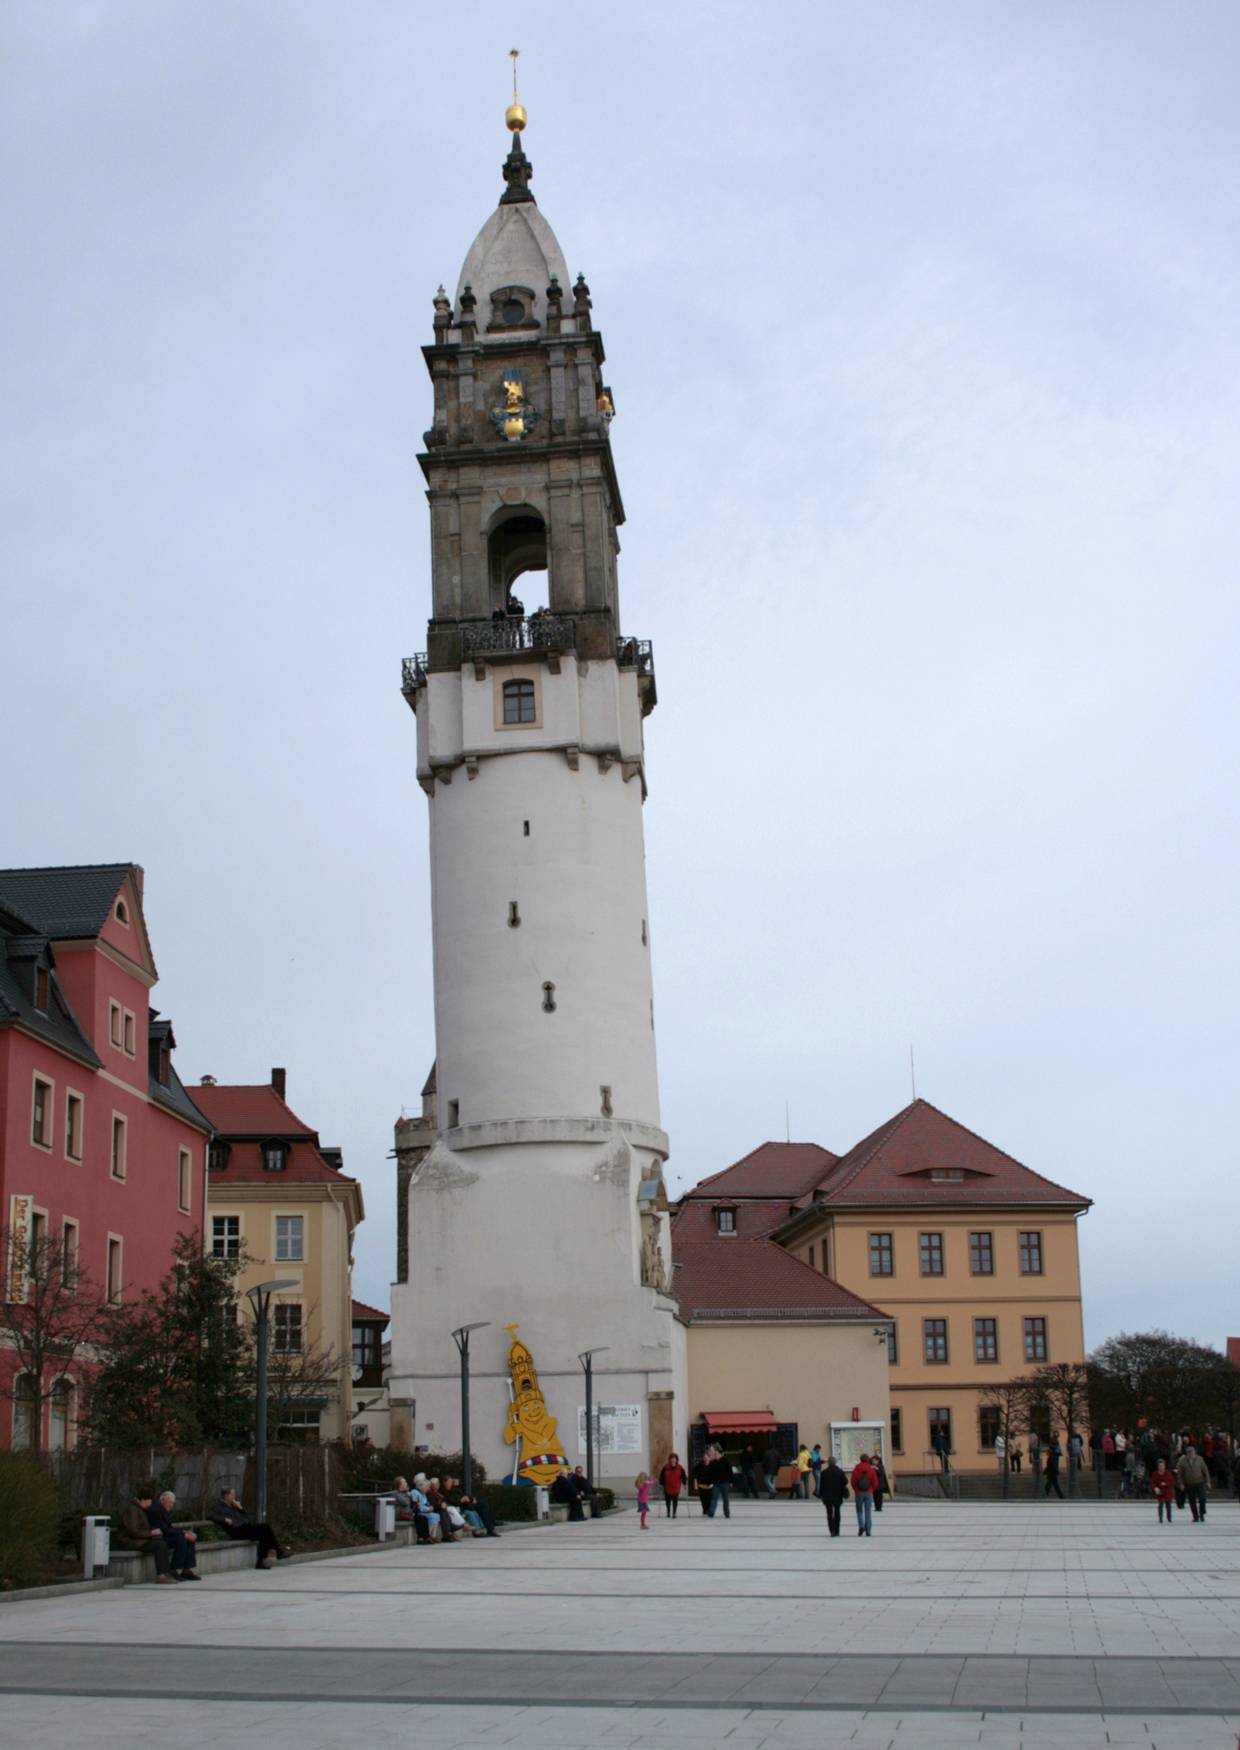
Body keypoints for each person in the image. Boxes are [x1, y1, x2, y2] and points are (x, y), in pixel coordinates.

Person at [210, 1486, 291, 1570]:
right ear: (226, 1496)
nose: (234, 1496)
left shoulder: (233, 1506)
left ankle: (263, 1561)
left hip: (244, 1528)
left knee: (264, 1534)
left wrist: (240, 1508)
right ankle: (277, 1553)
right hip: (236, 1531)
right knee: (265, 1528)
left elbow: (246, 1518)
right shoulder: (219, 1506)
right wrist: (223, 1519)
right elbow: (210, 1516)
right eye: (232, 1494)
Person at [116, 1484, 179, 1585]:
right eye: (149, 1502)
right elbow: (133, 1531)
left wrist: (153, 1533)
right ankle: (161, 1575)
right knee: (160, 1545)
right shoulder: (132, 1510)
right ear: (144, 1500)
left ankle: (165, 1573)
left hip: (139, 1540)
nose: (150, 1504)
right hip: (130, 1541)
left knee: (161, 1542)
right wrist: (151, 1533)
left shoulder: (140, 1509)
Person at [149, 1490, 201, 1580]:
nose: (171, 1505)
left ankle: (186, 1570)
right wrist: (183, 1533)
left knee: (189, 1538)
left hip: (165, 1536)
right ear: (162, 1500)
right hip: (158, 1539)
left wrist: (185, 1533)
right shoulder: (156, 1510)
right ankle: (173, 1569)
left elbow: (169, 1528)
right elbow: (164, 1529)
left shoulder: (163, 1509)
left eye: (173, 1503)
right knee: (182, 1539)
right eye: (170, 1502)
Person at [1176, 1444, 1210, 1522]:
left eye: (1192, 1452)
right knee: (1192, 1501)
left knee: (1202, 1498)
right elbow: (1180, 1474)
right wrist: (1181, 1483)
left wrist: (1208, 1481)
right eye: (1189, 1453)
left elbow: (1205, 1471)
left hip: (1200, 1482)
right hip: (1189, 1484)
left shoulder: (1200, 1459)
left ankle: (1201, 1513)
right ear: (1187, 1454)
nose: (1191, 1454)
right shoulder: (1182, 1461)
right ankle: (1195, 1516)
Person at [819, 1455, 848, 1538]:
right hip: (838, 1495)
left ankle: (832, 1530)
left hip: (827, 1496)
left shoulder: (824, 1472)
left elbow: (821, 1485)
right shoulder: (840, 1472)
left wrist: (821, 1495)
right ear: (835, 1462)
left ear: (828, 1463)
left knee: (829, 1513)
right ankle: (837, 1530)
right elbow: (845, 1481)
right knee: (837, 1512)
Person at [850, 1452, 878, 1537]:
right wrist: (871, 1490)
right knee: (868, 1512)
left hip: (859, 1492)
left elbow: (853, 1481)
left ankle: (861, 1526)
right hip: (869, 1492)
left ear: (860, 1459)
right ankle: (868, 1531)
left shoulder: (856, 1469)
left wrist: (856, 1489)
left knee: (859, 1511)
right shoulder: (871, 1469)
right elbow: (875, 1482)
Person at [707, 1446, 733, 1520]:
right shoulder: (712, 1463)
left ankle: (727, 1513)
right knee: (714, 1498)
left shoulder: (726, 1461)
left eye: (716, 1454)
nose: (715, 1455)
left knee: (726, 1499)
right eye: (714, 1454)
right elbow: (710, 1474)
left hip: (725, 1483)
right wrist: (709, 1482)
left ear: (720, 1454)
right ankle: (711, 1512)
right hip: (716, 1484)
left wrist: (731, 1481)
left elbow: (730, 1472)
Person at [659, 1453, 686, 1518]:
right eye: (672, 1459)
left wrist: (684, 1483)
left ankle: (674, 1513)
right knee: (667, 1501)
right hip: (667, 1487)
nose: (673, 1460)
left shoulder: (680, 1467)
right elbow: (662, 1476)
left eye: (674, 1459)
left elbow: (683, 1476)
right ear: (669, 1459)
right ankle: (668, 1512)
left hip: (676, 1487)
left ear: (676, 1460)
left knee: (675, 1501)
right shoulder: (665, 1467)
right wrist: (661, 1484)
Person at [1150, 1458, 1176, 1526]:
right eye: (1160, 1466)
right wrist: (1155, 1488)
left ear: (1164, 1466)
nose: (1161, 1467)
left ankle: (1169, 1517)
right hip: (1160, 1491)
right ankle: (1160, 1518)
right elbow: (1152, 1482)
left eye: (1162, 1465)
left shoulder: (1168, 1473)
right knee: (1160, 1504)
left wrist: (1166, 1484)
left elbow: (1172, 1482)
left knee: (1168, 1505)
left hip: (1167, 1491)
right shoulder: (1155, 1474)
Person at [693, 1451, 715, 1516]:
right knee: (703, 1500)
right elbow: (694, 1472)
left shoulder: (712, 1465)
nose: (705, 1459)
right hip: (701, 1486)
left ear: (709, 1458)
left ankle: (708, 1510)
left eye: (706, 1457)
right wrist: (696, 1478)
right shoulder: (699, 1465)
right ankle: (705, 1510)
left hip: (710, 1486)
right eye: (704, 1458)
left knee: (709, 1499)